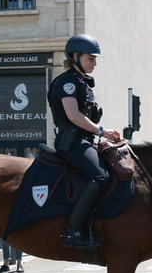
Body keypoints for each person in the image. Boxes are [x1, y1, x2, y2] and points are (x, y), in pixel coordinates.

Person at [48, 34, 121, 249]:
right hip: (72, 142)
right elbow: (73, 116)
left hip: (86, 140)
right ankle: (71, 232)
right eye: (91, 58)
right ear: (75, 56)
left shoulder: (82, 82)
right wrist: (102, 131)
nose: (95, 63)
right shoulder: (67, 82)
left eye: (95, 59)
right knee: (100, 176)